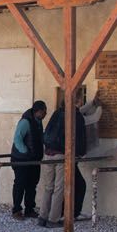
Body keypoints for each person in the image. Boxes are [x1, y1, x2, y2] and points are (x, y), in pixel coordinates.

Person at [37, 94, 89, 225]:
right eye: (80, 100)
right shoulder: (76, 116)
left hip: (48, 153)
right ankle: (53, 219)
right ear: (76, 102)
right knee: (59, 188)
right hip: (61, 154)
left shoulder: (57, 113)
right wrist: (80, 153)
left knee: (48, 187)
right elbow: (80, 138)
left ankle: (42, 216)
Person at [10, 100, 46, 220]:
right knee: (20, 184)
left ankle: (29, 209)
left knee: (31, 185)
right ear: (37, 112)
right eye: (43, 111)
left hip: (33, 159)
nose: (44, 114)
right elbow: (18, 139)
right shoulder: (26, 122)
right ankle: (16, 210)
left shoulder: (38, 122)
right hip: (21, 159)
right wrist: (26, 152)